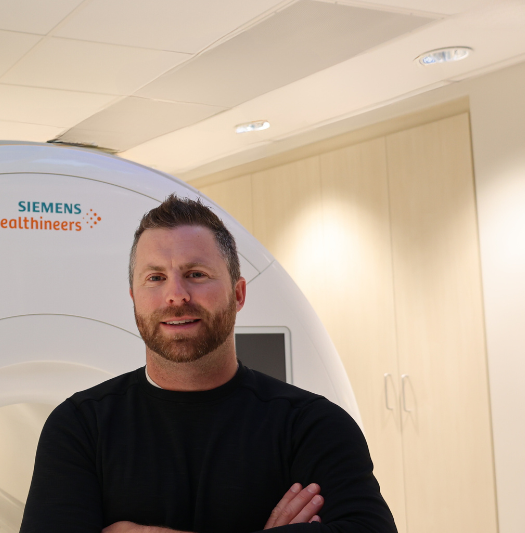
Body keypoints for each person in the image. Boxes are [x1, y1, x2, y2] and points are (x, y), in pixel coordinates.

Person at [20, 194, 397, 533]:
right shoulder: (81, 427)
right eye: (156, 278)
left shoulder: (312, 425)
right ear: (134, 298)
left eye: (196, 275)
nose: (176, 295)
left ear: (238, 293)